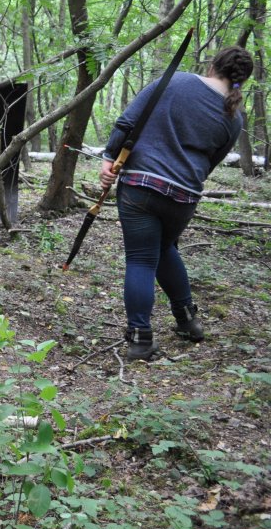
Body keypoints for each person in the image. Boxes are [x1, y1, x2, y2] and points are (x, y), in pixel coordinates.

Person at [99, 45, 252, 361]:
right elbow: (210, 163)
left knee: (141, 259)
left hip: (141, 184)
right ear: (242, 81)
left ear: (213, 65)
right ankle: (187, 321)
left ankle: (140, 339)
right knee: (164, 248)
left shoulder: (175, 81)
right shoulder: (233, 118)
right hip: (184, 196)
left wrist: (109, 157)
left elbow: (128, 122)